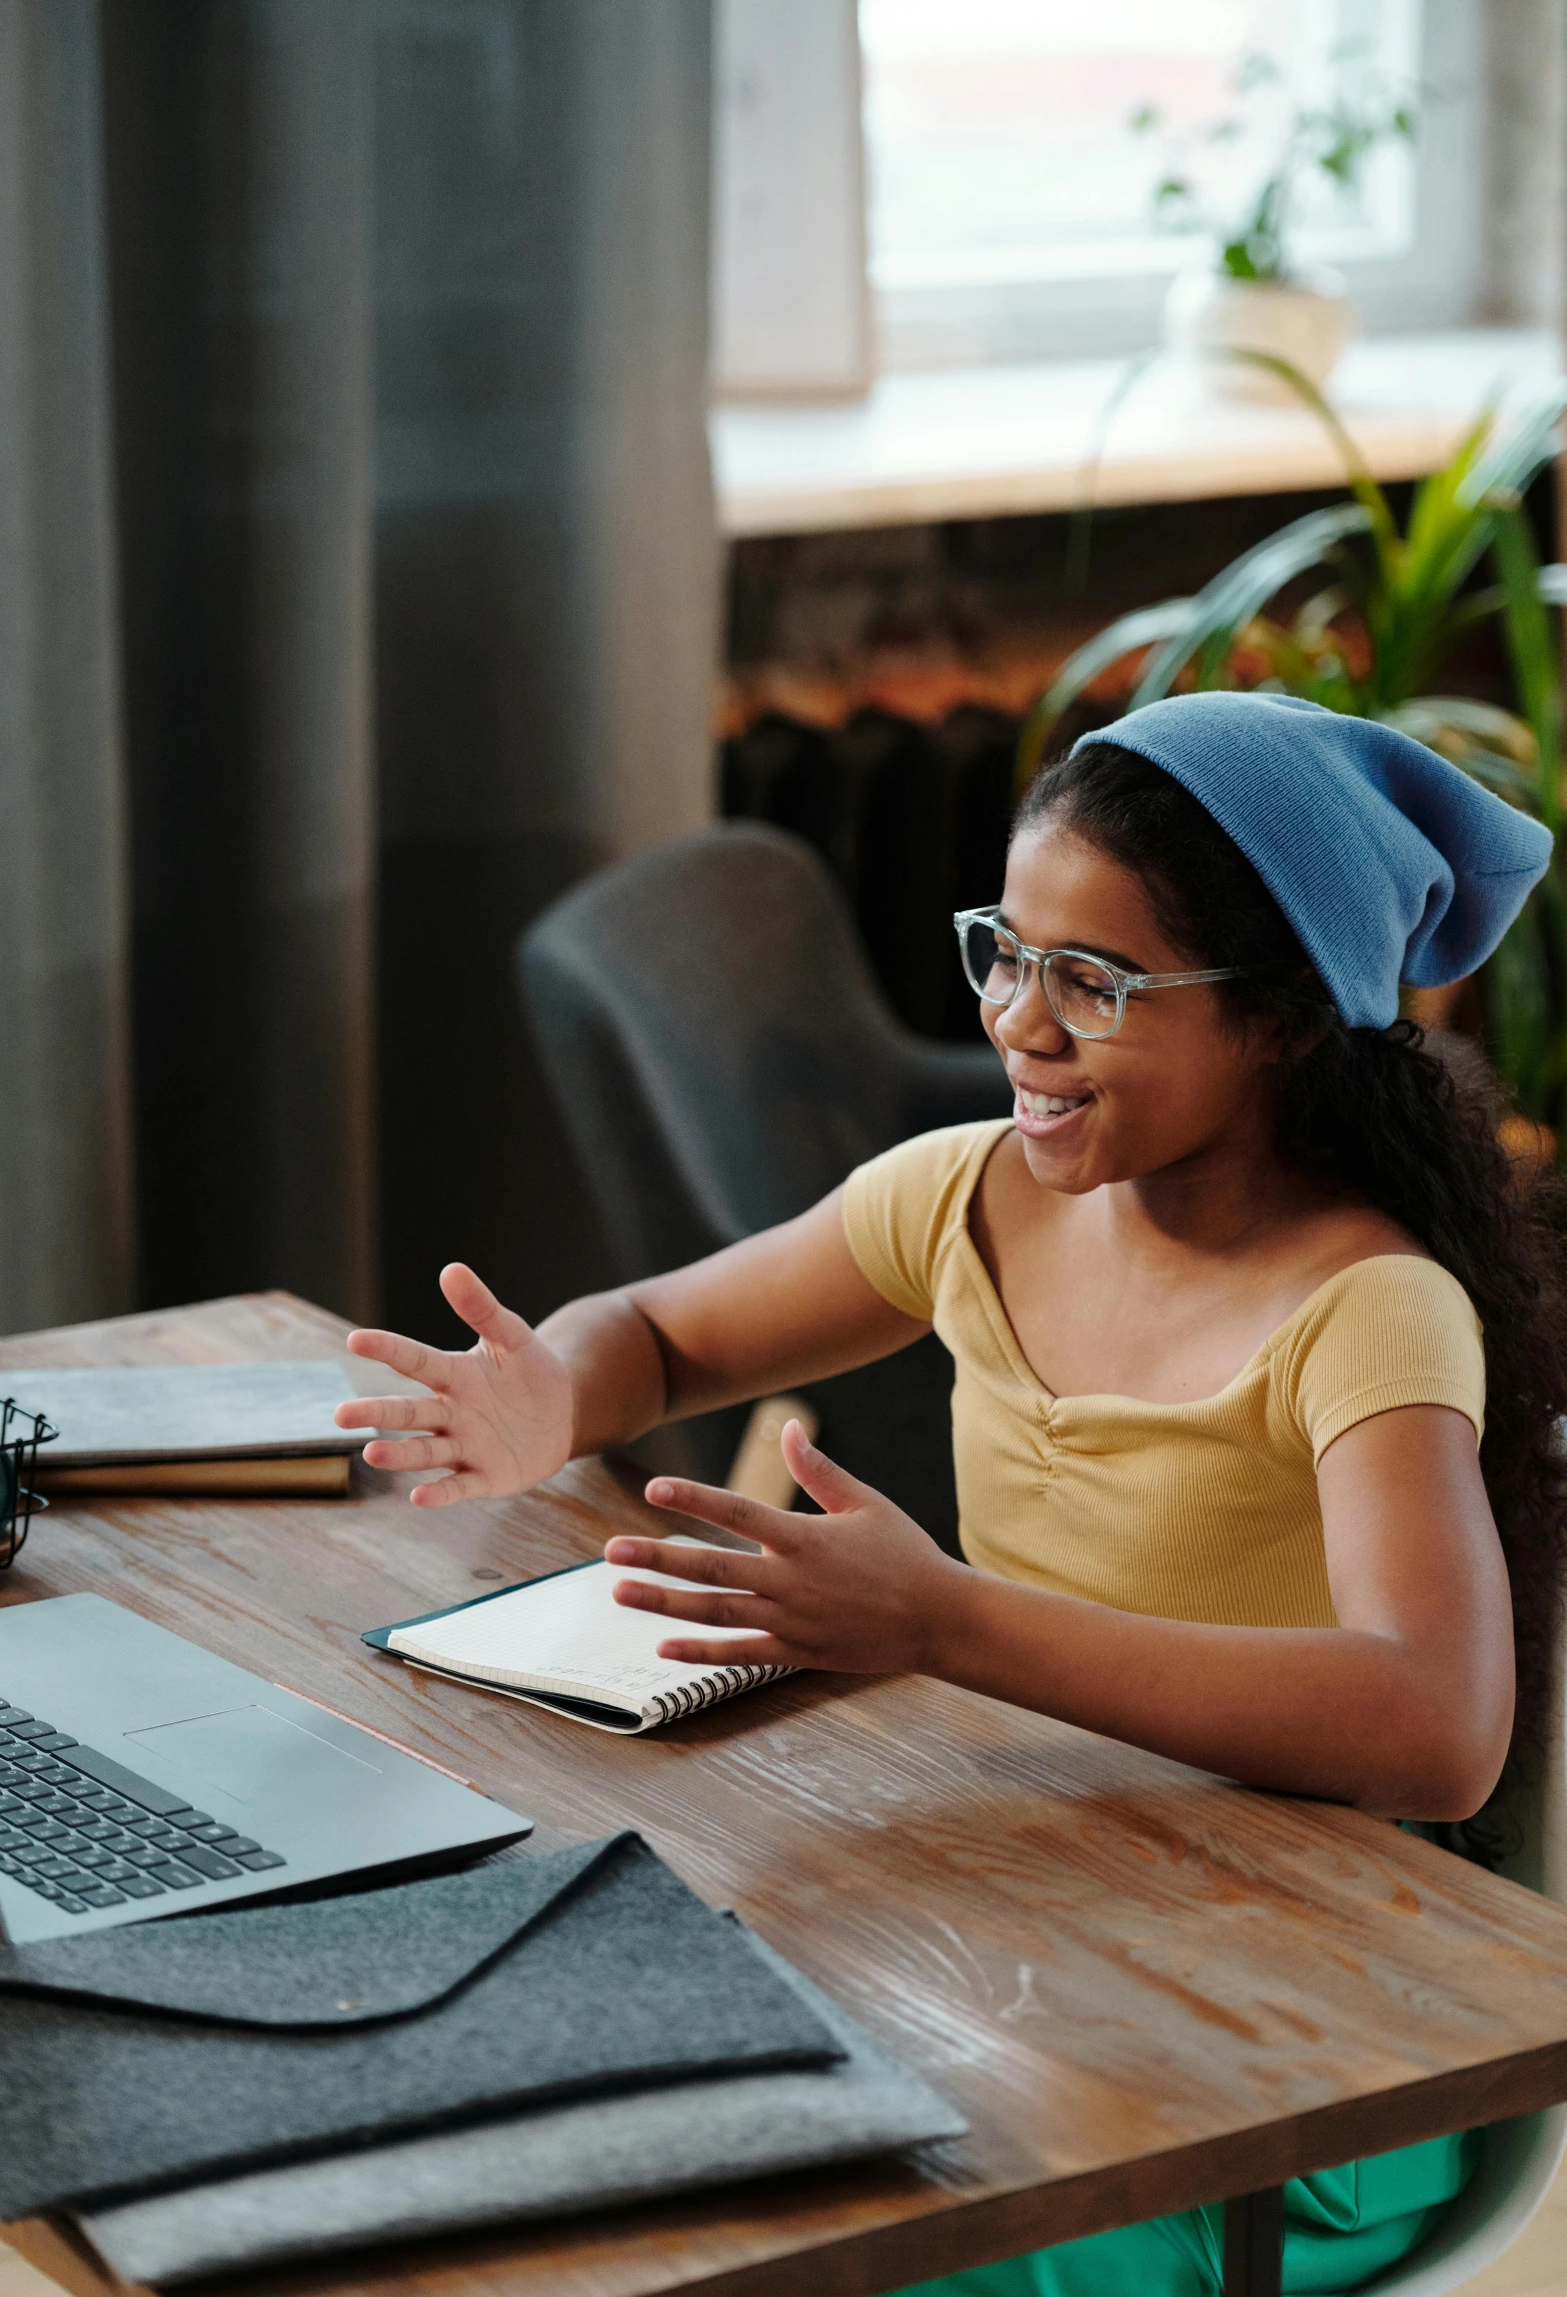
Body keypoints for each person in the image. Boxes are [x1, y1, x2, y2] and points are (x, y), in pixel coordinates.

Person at [337, 691, 1567, 2296]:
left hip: (1300, 2056)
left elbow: (1435, 1719)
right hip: (1041, 1930)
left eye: (1095, 980)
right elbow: (656, 1331)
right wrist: (550, 1390)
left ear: (1276, 1014)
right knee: (565, 2127)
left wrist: (944, 1622)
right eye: (1006, 948)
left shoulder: (1363, 1305)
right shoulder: (964, 1197)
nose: (1018, 1022)